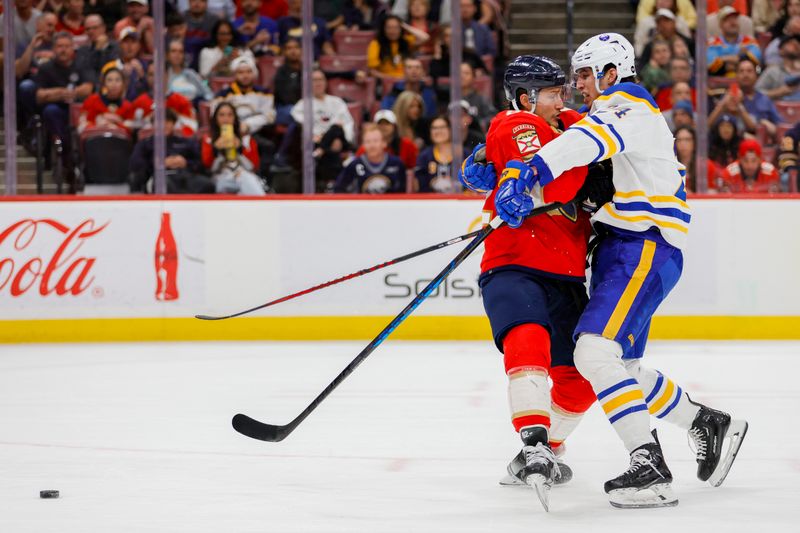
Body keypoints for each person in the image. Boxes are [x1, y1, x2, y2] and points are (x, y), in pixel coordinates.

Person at [486, 33, 748, 508]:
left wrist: (530, 172)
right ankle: (705, 423)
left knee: (592, 352)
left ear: (611, 72)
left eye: (585, 75)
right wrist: (493, 164)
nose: (578, 86)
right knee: (618, 366)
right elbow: (580, 163)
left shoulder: (628, 107)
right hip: (619, 249)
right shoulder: (608, 115)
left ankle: (649, 465)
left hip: (641, 246)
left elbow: (582, 144)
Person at [459, 55, 599, 510]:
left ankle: (544, 451)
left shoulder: (568, 127)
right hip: (514, 262)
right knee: (529, 339)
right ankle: (535, 439)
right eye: (555, 93)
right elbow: (559, 185)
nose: (564, 100)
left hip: (567, 273)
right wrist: (581, 156)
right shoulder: (516, 122)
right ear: (526, 97)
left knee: (581, 377)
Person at [130, 108, 215, 193]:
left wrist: (185, 162)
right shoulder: (145, 144)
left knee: (207, 185)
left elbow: (200, 163)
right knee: (165, 185)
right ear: (153, 124)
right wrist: (160, 163)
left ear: (173, 124)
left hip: (185, 175)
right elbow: (136, 164)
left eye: (167, 122)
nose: (163, 125)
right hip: (158, 176)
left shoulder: (186, 142)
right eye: (159, 122)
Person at [201, 101, 266, 195]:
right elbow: (207, 167)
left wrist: (240, 148)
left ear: (235, 118)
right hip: (220, 178)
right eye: (221, 115)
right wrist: (215, 149)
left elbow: (254, 166)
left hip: (243, 176)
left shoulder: (246, 139)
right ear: (215, 119)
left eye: (230, 115)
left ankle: (261, 202)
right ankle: (263, 203)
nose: (226, 119)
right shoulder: (208, 139)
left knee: (244, 180)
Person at [213, 55, 275, 136]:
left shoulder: (264, 93)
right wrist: (236, 126)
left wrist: (248, 124)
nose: (245, 76)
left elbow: (269, 116)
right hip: (229, 132)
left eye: (249, 72)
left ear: (254, 73)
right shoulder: (222, 95)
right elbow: (215, 116)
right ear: (234, 74)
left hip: (257, 131)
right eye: (241, 72)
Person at [334, 125, 406, 193]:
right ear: (363, 144)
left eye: (375, 141)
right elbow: (339, 189)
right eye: (368, 141)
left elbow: (402, 191)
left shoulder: (397, 164)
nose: (372, 145)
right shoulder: (354, 165)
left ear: (384, 143)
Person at [78, 60, 135, 133]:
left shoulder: (128, 106)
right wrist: (99, 125)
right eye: (109, 80)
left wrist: (117, 122)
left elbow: (130, 132)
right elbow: (81, 127)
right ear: (104, 84)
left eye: (117, 80)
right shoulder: (92, 100)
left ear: (123, 84)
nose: (113, 84)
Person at [707, 7, 762, 77]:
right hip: (720, 82)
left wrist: (723, 58)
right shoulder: (712, 43)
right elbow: (712, 67)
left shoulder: (750, 41)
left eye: (735, 18)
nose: (732, 22)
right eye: (727, 20)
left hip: (748, 81)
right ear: (720, 25)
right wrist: (742, 57)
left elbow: (755, 64)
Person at [414, 115, 456, 193]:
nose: (438, 131)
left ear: (450, 130)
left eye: (442, 127)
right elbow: (421, 187)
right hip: (431, 203)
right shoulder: (424, 157)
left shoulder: (463, 155)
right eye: (434, 128)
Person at [75, 14, 121, 84]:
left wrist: (102, 49)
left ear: (103, 28)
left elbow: (114, 68)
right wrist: (97, 50)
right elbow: (86, 72)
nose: (91, 31)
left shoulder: (116, 47)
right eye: (88, 29)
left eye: (95, 28)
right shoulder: (82, 51)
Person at [367, 14, 414, 81]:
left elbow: (424, 38)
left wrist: (406, 26)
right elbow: (372, 71)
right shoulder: (376, 44)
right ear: (383, 29)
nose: (393, 31)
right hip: (387, 82)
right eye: (389, 27)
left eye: (396, 27)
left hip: (407, 81)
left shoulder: (406, 41)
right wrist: (392, 79)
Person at [166, 38, 213, 104]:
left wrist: (199, 103)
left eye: (181, 51)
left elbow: (209, 94)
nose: (177, 54)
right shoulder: (164, 75)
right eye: (173, 51)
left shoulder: (191, 74)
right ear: (167, 55)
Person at [674, 125, 719, 192]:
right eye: (679, 140)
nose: (683, 143)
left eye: (687, 140)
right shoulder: (669, 166)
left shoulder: (706, 165)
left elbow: (714, 192)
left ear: (694, 142)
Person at [756, 34, 800, 101]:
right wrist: (778, 92)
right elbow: (756, 94)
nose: (795, 43)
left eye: (798, 43)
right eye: (789, 43)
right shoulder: (772, 71)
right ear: (780, 51)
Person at [273, 37, 302, 125]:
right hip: (286, 108)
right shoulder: (281, 73)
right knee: (294, 113)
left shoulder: (308, 70)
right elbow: (286, 98)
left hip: (306, 107)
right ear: (284, 52)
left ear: (301, 50)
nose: (293, 51)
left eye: (296, 47)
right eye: (289, 48)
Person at [184, 0, 220, 69]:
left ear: (207, 3)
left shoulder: (214, 20)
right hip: (186, 60)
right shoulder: (181, 18)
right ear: (189, 2)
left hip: (209, 61)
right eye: (193, 0)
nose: (197, 3)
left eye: (201, 1)